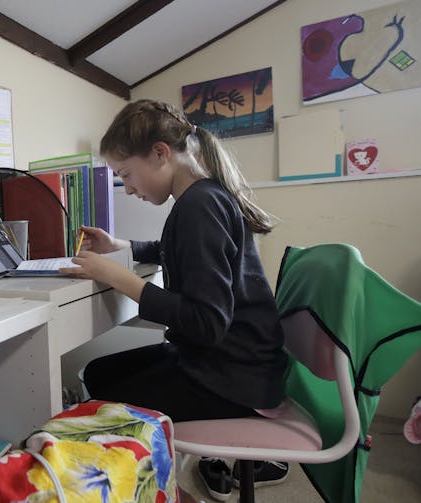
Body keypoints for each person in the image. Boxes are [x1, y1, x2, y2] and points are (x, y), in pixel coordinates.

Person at [60, 99, 289, 502]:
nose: (128, 189)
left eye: (127, 175)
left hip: (231, 379)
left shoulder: (199, 206)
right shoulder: (201, 198)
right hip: (237, 365)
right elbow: (175, 249)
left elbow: (206, 322)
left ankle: (154, 488)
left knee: (99, 402)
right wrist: (122, 246)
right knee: (97, 374)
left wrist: (123, 279)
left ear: (161, 153)